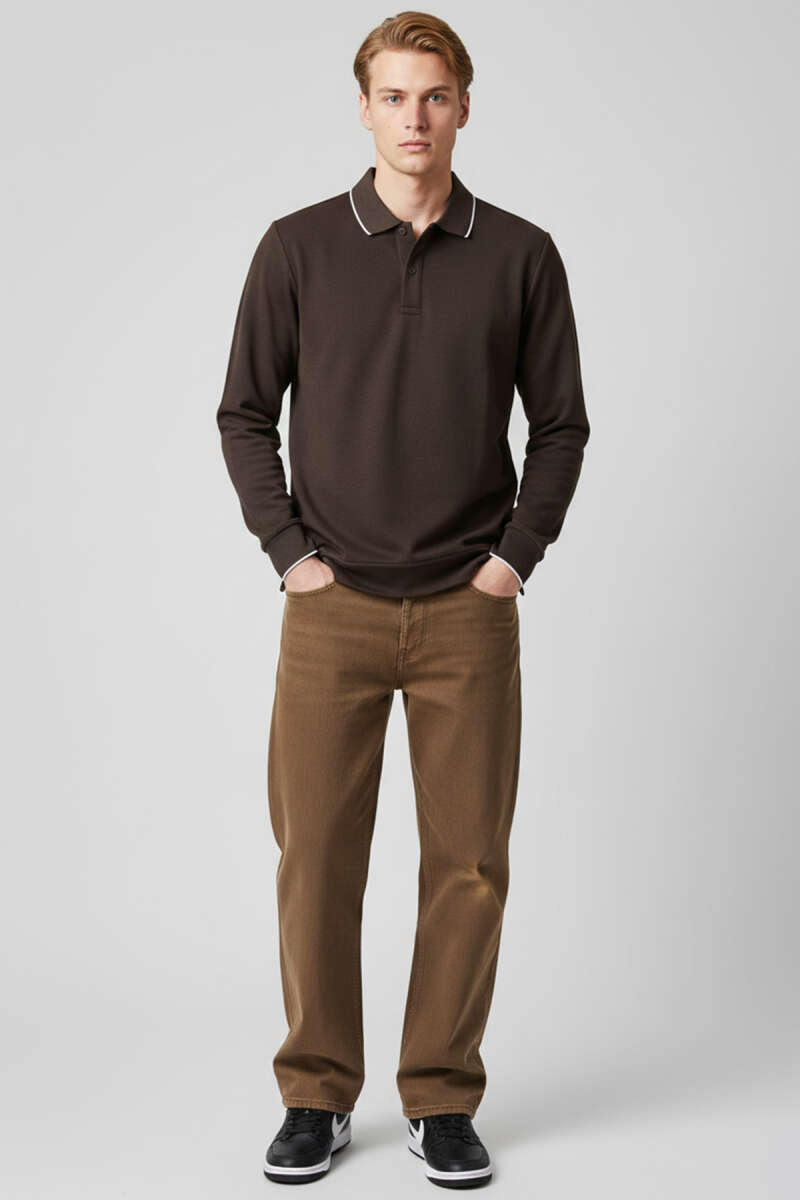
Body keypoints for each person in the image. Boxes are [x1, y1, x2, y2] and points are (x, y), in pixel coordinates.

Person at [216, 10, 590, 1189]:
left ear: (464, 106)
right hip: (329, 608)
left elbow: (560, 425)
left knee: (467, 863)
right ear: (363, 108)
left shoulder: (520, 253)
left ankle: (439, 1095)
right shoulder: (296, 247)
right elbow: (243, 412)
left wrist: (512, 557)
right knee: (315, 860)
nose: (414, 117)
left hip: (467, 612)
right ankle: (315, 1094)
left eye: (434, 95)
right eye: (393, 96)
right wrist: (288, 551)